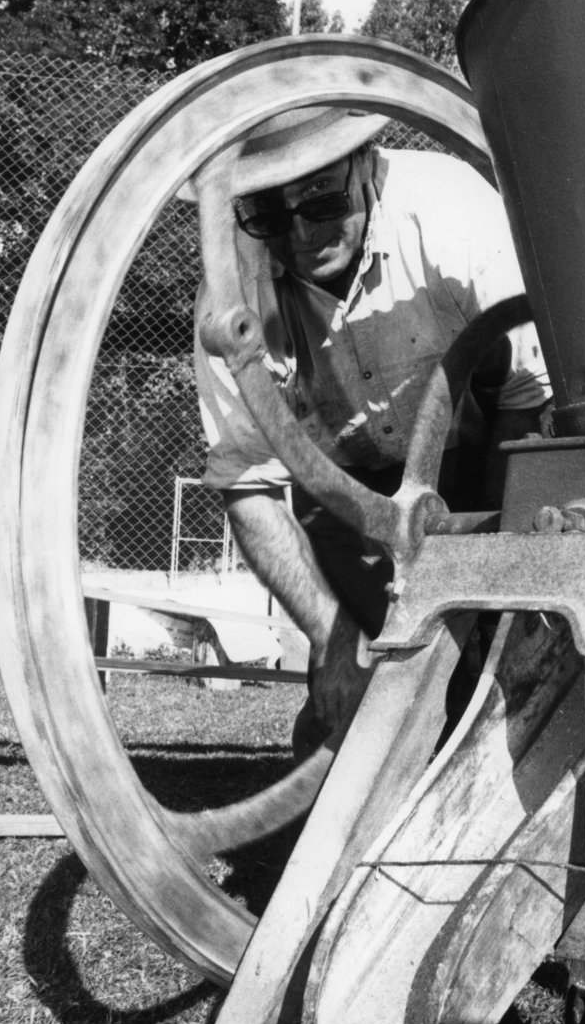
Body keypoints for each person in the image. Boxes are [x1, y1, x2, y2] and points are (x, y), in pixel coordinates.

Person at [193, 106, 551, 751]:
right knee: (350, 720)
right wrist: (332, 638)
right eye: (267, 217)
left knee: (496, 694)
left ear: (365, 163)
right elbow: (248, 482)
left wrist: (490, 574)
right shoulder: (232, 292)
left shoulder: (453, 210)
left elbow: (527, 395)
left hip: (486, 453)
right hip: (343, 494)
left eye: (322, 202)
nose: (301, 235)